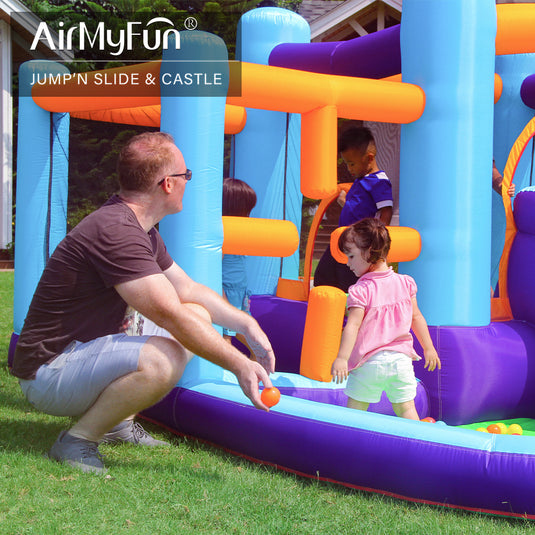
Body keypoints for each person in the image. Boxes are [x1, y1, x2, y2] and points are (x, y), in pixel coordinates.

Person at [11, 132, 276, 474]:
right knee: (162, 358)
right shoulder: (116, 229)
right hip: (48, 373)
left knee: (195, 314)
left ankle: (117, 425)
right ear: (168, 184)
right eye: (187, 176)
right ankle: (77, 440)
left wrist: (246, 325)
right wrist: (240, 364)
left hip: (78, 355)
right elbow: (168, 313)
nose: (187, 183)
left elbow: (188, 291)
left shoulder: (141, 227)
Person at [330, 218, 441, 420]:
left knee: (354, 414)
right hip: (401, 362)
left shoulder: (361, 290)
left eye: (351, 256)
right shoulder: (405, 283)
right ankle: (418, 446)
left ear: (369, 251)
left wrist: (342, 358)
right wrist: (428, 347)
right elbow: (417, 317)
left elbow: (352, 326)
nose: (348, 263)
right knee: (407, 410)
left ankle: (348, 448)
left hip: (369, 362)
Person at [313, 126, 393, 292]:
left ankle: (350, 312)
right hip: (342, 236)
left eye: (352, 164)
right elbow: (359, 207)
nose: (349, 169)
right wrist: (345, 203)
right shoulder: (361, 180)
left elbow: (386, 210)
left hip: (358, 242)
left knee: (347, 279)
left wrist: (377, 238)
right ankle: (328, 309)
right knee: (323, 276)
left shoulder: (379, 182)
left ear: (369, 158)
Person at [221, 177, 256, 352]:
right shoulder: (222, 233)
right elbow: (215, 267)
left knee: (251, 333)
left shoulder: (238, 233)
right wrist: (222, 298)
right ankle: (221, 374)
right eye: (246, 211)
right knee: (225, 334)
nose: (248, 216)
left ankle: (257, 363)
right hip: (227, 291)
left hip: (240, 292)